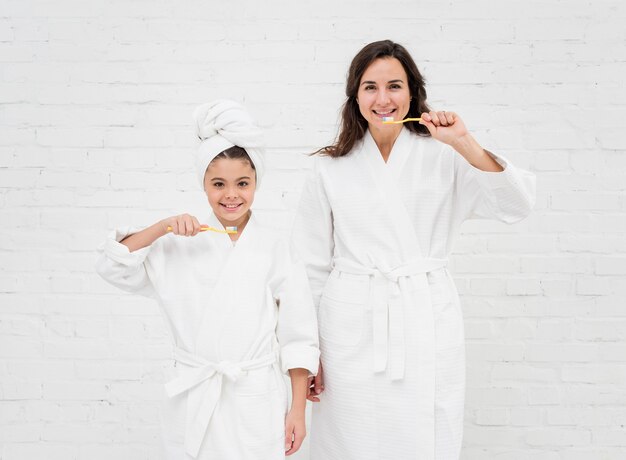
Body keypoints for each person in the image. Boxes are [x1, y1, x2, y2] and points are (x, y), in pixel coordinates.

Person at [292, 40, 536, 460]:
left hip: (424, 317)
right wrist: (307, 351)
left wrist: (464, 142)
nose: (382, 99)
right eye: (370, 87)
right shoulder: (328, 167)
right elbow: (307, 266)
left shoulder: (445, 154)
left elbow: (516, 205)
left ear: (412, 92)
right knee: (350, 437)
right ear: (355, 96)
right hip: (349, 323)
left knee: (424, 436)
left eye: (394, 86)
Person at [96, 99, 319, 459]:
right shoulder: (179, 243)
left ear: (256, 183)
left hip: (255, 401)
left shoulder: (274, 248)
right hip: (194, 398)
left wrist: (297, 410)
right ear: (204, 185)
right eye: (219, 184)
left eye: (242, 183)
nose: (231, 195)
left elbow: (298, 335)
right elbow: (114, 267)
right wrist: (162, 228)